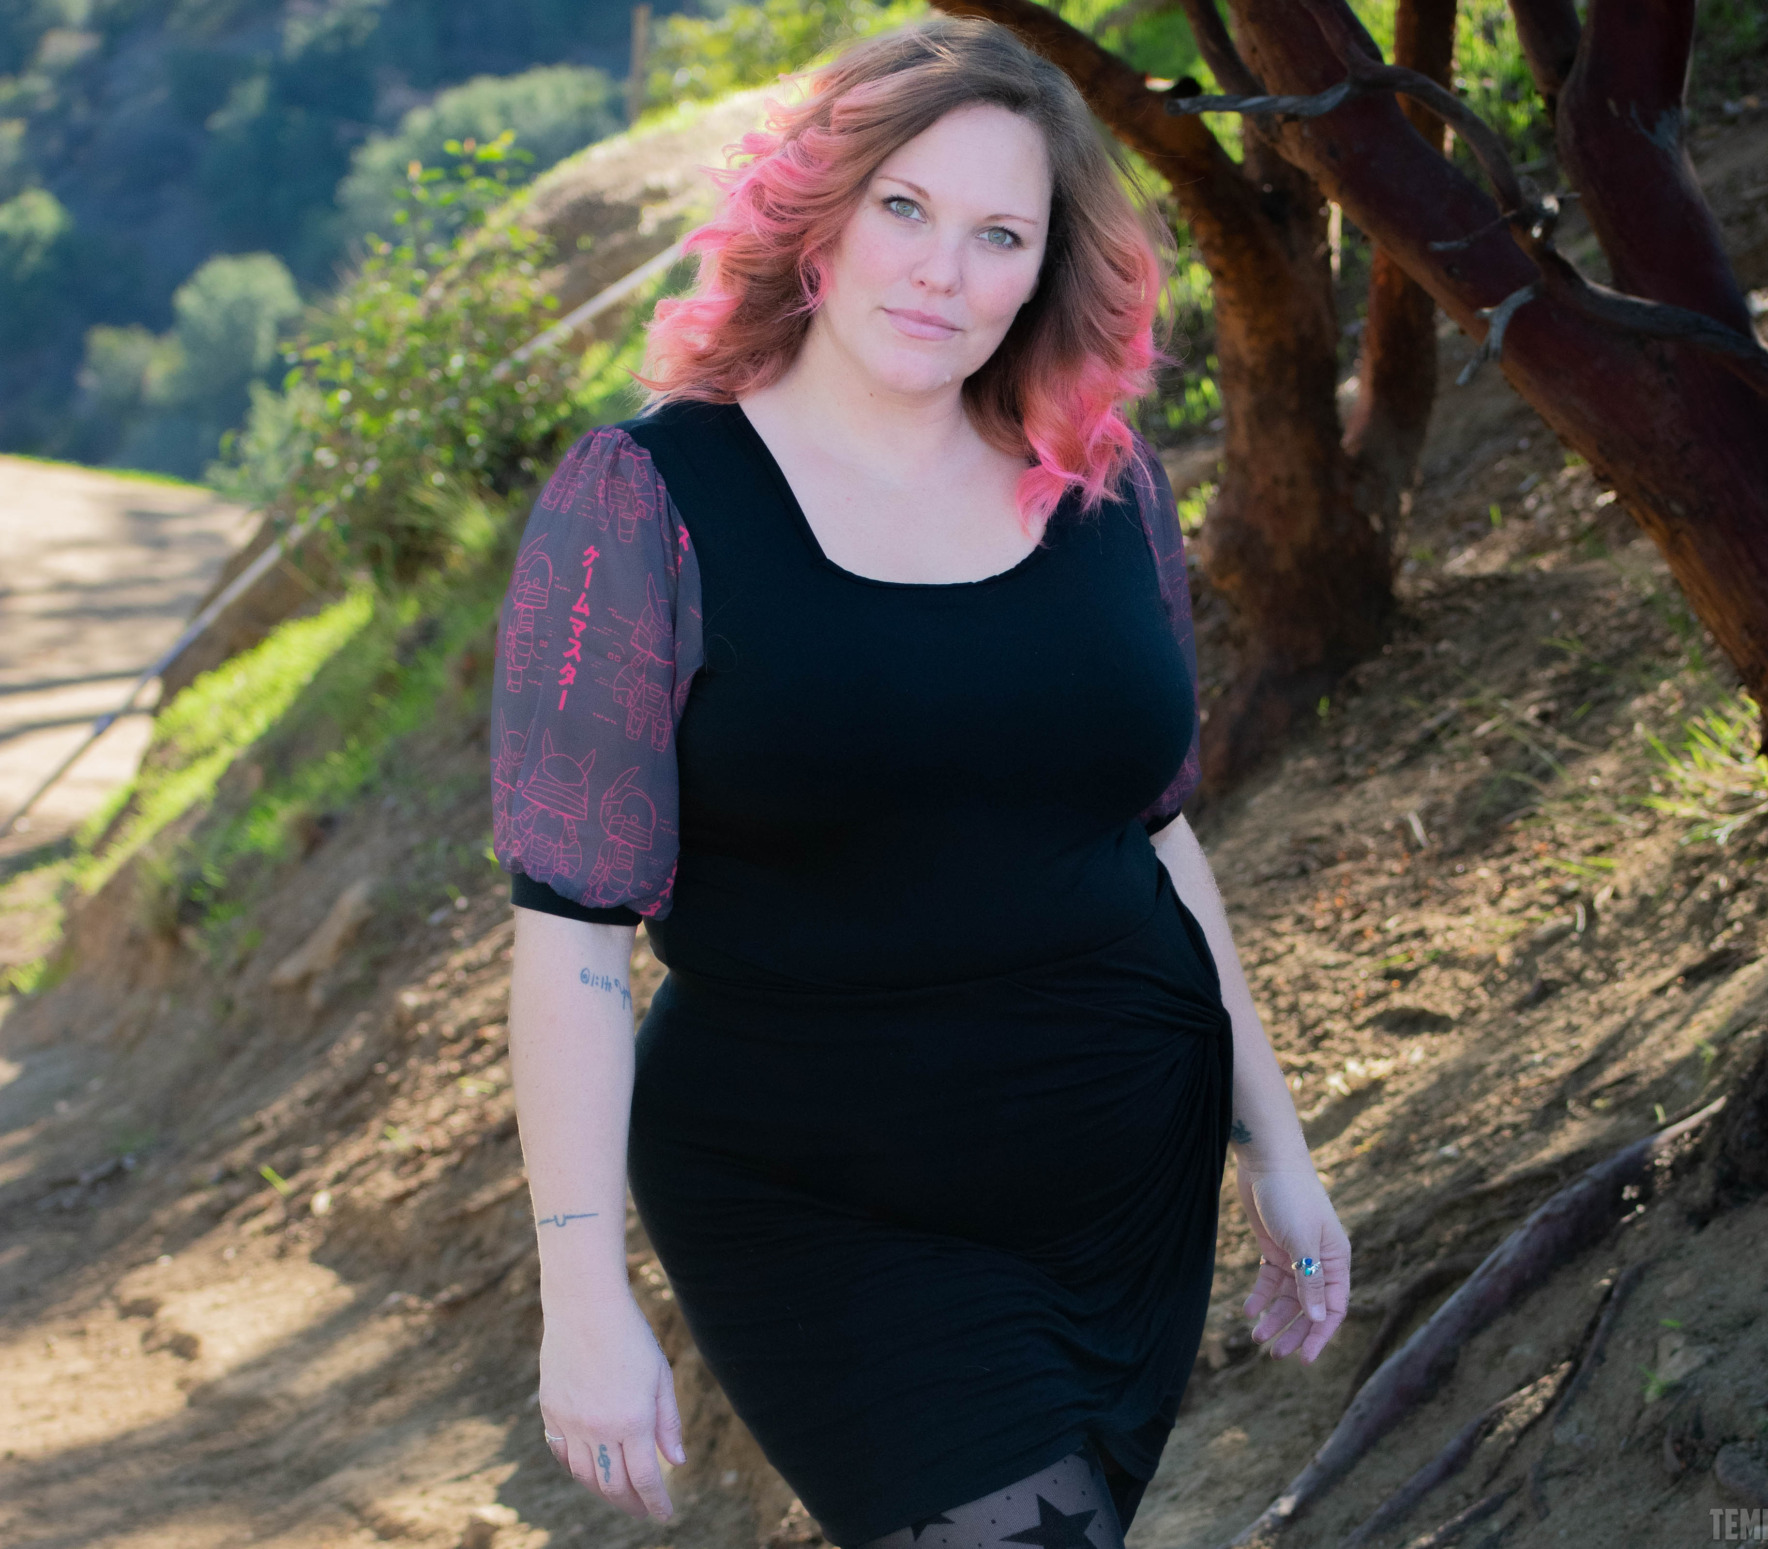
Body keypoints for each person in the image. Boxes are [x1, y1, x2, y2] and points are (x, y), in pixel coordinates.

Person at [490, 16, 1349, 1548]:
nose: (942, 270)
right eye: (905, 207)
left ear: (1045, 269)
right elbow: (569, 943)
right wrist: (581, 1290)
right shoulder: (651, 500)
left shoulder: (1099, 484)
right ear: (815, 216)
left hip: (1120, 1197)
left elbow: (1157, 842)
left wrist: (1277, 1154)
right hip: (827, 1210)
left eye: (998, 232)